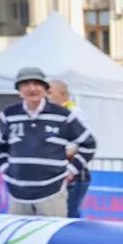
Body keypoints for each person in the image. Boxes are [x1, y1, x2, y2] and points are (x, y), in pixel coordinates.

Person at [0, 67, 95, 218]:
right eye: (26, 84)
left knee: (53, 238)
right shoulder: (8, 114)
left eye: (37, 84)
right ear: (19, 90)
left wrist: (71, 170)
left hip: (52, 193)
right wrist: (5, 168)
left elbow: (88, 144)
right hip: (17, 194)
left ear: (45, 89)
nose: (32, 88)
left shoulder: (62, 115)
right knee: (17, 238)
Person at [47, 79, 97, 219]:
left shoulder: (74, 113)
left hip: (73, 175)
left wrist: (56, 153)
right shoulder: (52, 114)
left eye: (50, 92)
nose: (46, 96)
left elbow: (86, 141)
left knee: (68, 216)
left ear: (62, 94)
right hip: (56, 174)